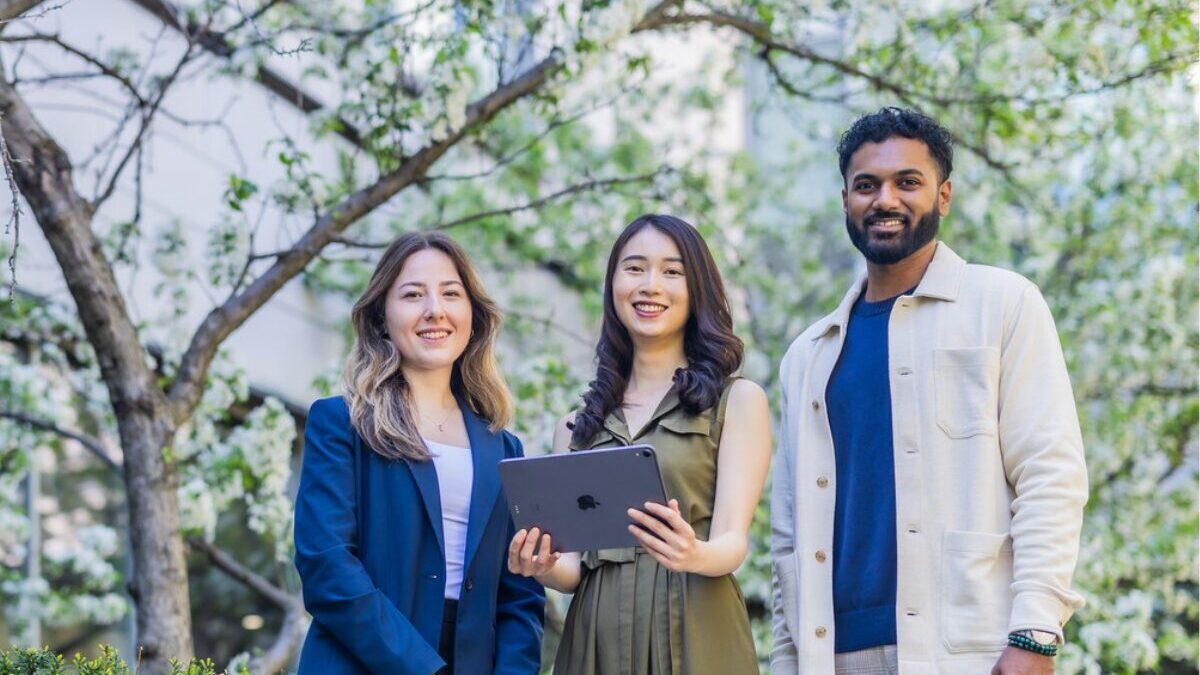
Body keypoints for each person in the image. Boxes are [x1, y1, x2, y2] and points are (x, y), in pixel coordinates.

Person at [770, 107, 1088, 675]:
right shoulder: (807, 355)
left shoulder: (1003, 305)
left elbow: (1049, 473)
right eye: (866, 185)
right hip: (831, 656)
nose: (885, 200)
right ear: (845, 200)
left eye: (907, 182)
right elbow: (789, 539)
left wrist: (1036, 632)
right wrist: (787, 661)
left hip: (968, 649)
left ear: (943, 197)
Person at [509, 214, 772, 674]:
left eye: (672, 272)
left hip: (697, 630)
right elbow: (573, 572)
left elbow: (733, 540)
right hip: (596, 641)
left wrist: (694, 553)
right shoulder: (575, 427)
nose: (651, 285)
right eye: (634, 268)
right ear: (613, 285)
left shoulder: (737, 401)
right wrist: (542, 564)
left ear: (697, 290)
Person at [293, 231, 544, 675]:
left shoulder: (505, 449)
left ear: (473, 314)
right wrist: (422, 667)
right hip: (364, 662)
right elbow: (326, 566)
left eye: (451, 293)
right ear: (381, 317)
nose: (435, 310)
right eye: (412, 295)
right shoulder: (342, 424)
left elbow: (519, 595)